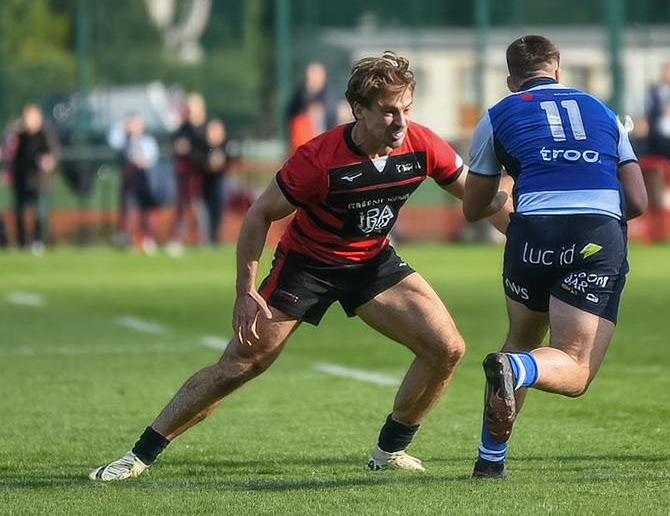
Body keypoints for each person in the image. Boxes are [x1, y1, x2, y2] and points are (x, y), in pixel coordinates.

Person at [90, 53, 498, 481]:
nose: (401, 121)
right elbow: (258, 214)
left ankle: (389, 451)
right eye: (389, 111)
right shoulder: (319, 159)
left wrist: (530, 225)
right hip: (308, 265)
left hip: (371, 260)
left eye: (407, 109)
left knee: (447, 348)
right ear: (359, 110)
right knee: (242, 364)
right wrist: (245, 290)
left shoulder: (423, 145)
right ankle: (139, 455)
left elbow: (478, 196)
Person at [461, 34, 648, 480]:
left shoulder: (495, 116)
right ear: (559, 71)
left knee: (522, 336)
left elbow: (473, 209)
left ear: (511, 80)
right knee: (574, 368)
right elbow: (638, 201)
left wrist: (509, 186)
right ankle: (516, 368)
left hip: (530, 234)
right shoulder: (603, 112)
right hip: (593, 233)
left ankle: (490, 460)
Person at [8, 103, 58, 251]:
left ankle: (39, 241)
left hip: (38, 180)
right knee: (19, 213)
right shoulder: (20, 135)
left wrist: (48, 161)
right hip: (21, 179)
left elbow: (53, 153)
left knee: (40, 213)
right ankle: (21, 242)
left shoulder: (45, 134)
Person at [109, 113, 161, 252]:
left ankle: (147, 237)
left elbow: (152, 158)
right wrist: (125, 127)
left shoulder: (147, 141)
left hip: (143, 179)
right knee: (127, 209)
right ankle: (125, 238)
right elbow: (112, 137)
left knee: (145, 210)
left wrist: (142, 161)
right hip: (128, 180)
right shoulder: (122, 140)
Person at [168, 93, 207, 253]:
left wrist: (189, 149)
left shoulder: (203, 129)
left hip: (199, 176)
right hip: (184, 174)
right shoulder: (183, 128)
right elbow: (175, 144)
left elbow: (202, 151)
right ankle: (180, 238)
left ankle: (203, 238)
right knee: (182, 206)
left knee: (197, 205)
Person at [198, 117, 237, 246]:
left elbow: (234, 157)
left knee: (218, 209)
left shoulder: (226, 146)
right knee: (205, 210)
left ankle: (216, 236)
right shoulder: (202, 147)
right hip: (204, 184)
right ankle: (206, 237)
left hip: (220, 182)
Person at [285, 61, 337, 151]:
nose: (312, 79)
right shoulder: (299, 95)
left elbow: (331, 121)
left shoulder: (329, 97)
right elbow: (292, 118)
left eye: (316, 76)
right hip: (302, 145)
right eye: (311, 75)